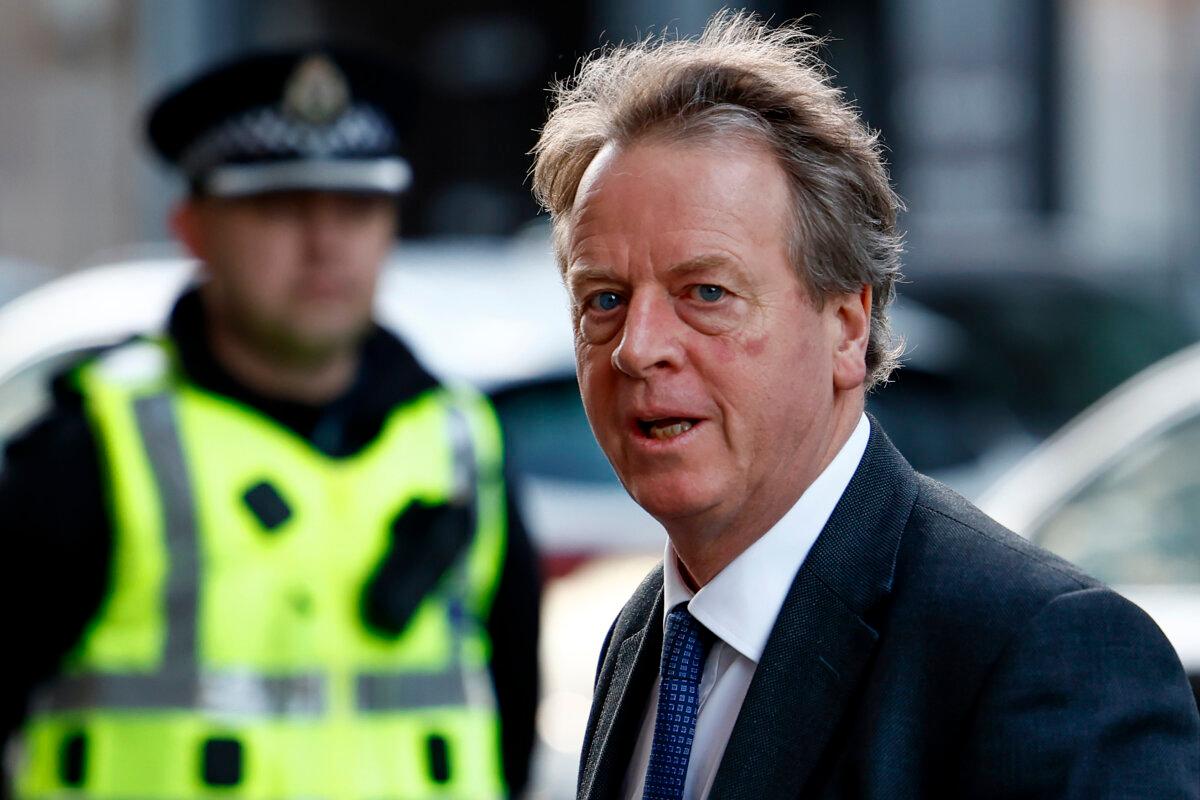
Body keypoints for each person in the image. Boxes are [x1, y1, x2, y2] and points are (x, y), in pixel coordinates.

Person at [530, 12, 1200, 799]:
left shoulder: (1041, 653)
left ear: (847, 326)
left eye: (704, 292)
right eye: (603, 299)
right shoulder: (645, 634)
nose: (636, 347)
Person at [1, 47, 539, 799]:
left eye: (356, 208)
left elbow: (511, 720)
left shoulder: (459, 441)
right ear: (192, 228)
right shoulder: (93, 446)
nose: (325, 243)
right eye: (280, 207)